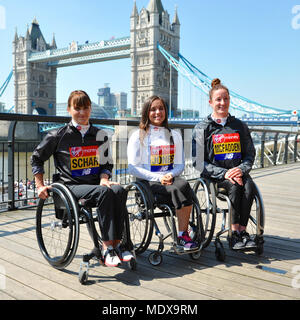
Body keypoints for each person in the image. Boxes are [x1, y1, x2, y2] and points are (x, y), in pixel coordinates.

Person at [31, 90, 133, 266]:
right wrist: (40, 185)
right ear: (69, 110)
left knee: (118, 190)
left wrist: (104, 177)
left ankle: (122, 244)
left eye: (86, 108)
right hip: (70, 187)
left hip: (96, 184)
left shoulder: (100, 135)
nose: (82, 113)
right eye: (77, 108)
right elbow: (37, 158)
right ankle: (107, 247)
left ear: (91, 109)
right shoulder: (58, 135)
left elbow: (107, 164)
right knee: (104, 193)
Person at [192, 78, 256, 250]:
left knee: (250, 188)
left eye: (226, 99)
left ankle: (242, 231)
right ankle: (234, 234)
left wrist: (240, 170)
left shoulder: (240, 126)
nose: (222, 103)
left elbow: (250, 153)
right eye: (218, 99)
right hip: (215, 178)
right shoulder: (201, 128)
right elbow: (198, 162)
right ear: (211, 102)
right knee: (234, 187)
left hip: (239, 172)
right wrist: (224, 174)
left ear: (229, 100)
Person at [127, 95, 198, 251]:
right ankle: (183, 235)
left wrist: (169, 175)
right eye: (153, 109)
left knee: (184, 184)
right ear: (146, 112)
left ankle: (182, 234)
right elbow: (132, 167)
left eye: (161, 108)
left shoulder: (175, 135)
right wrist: (159, 177)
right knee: (176, 188)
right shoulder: (137, 136)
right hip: (147, 182)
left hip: (170, 178)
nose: (157, 112)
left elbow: (179, 164)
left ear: (166, 111)